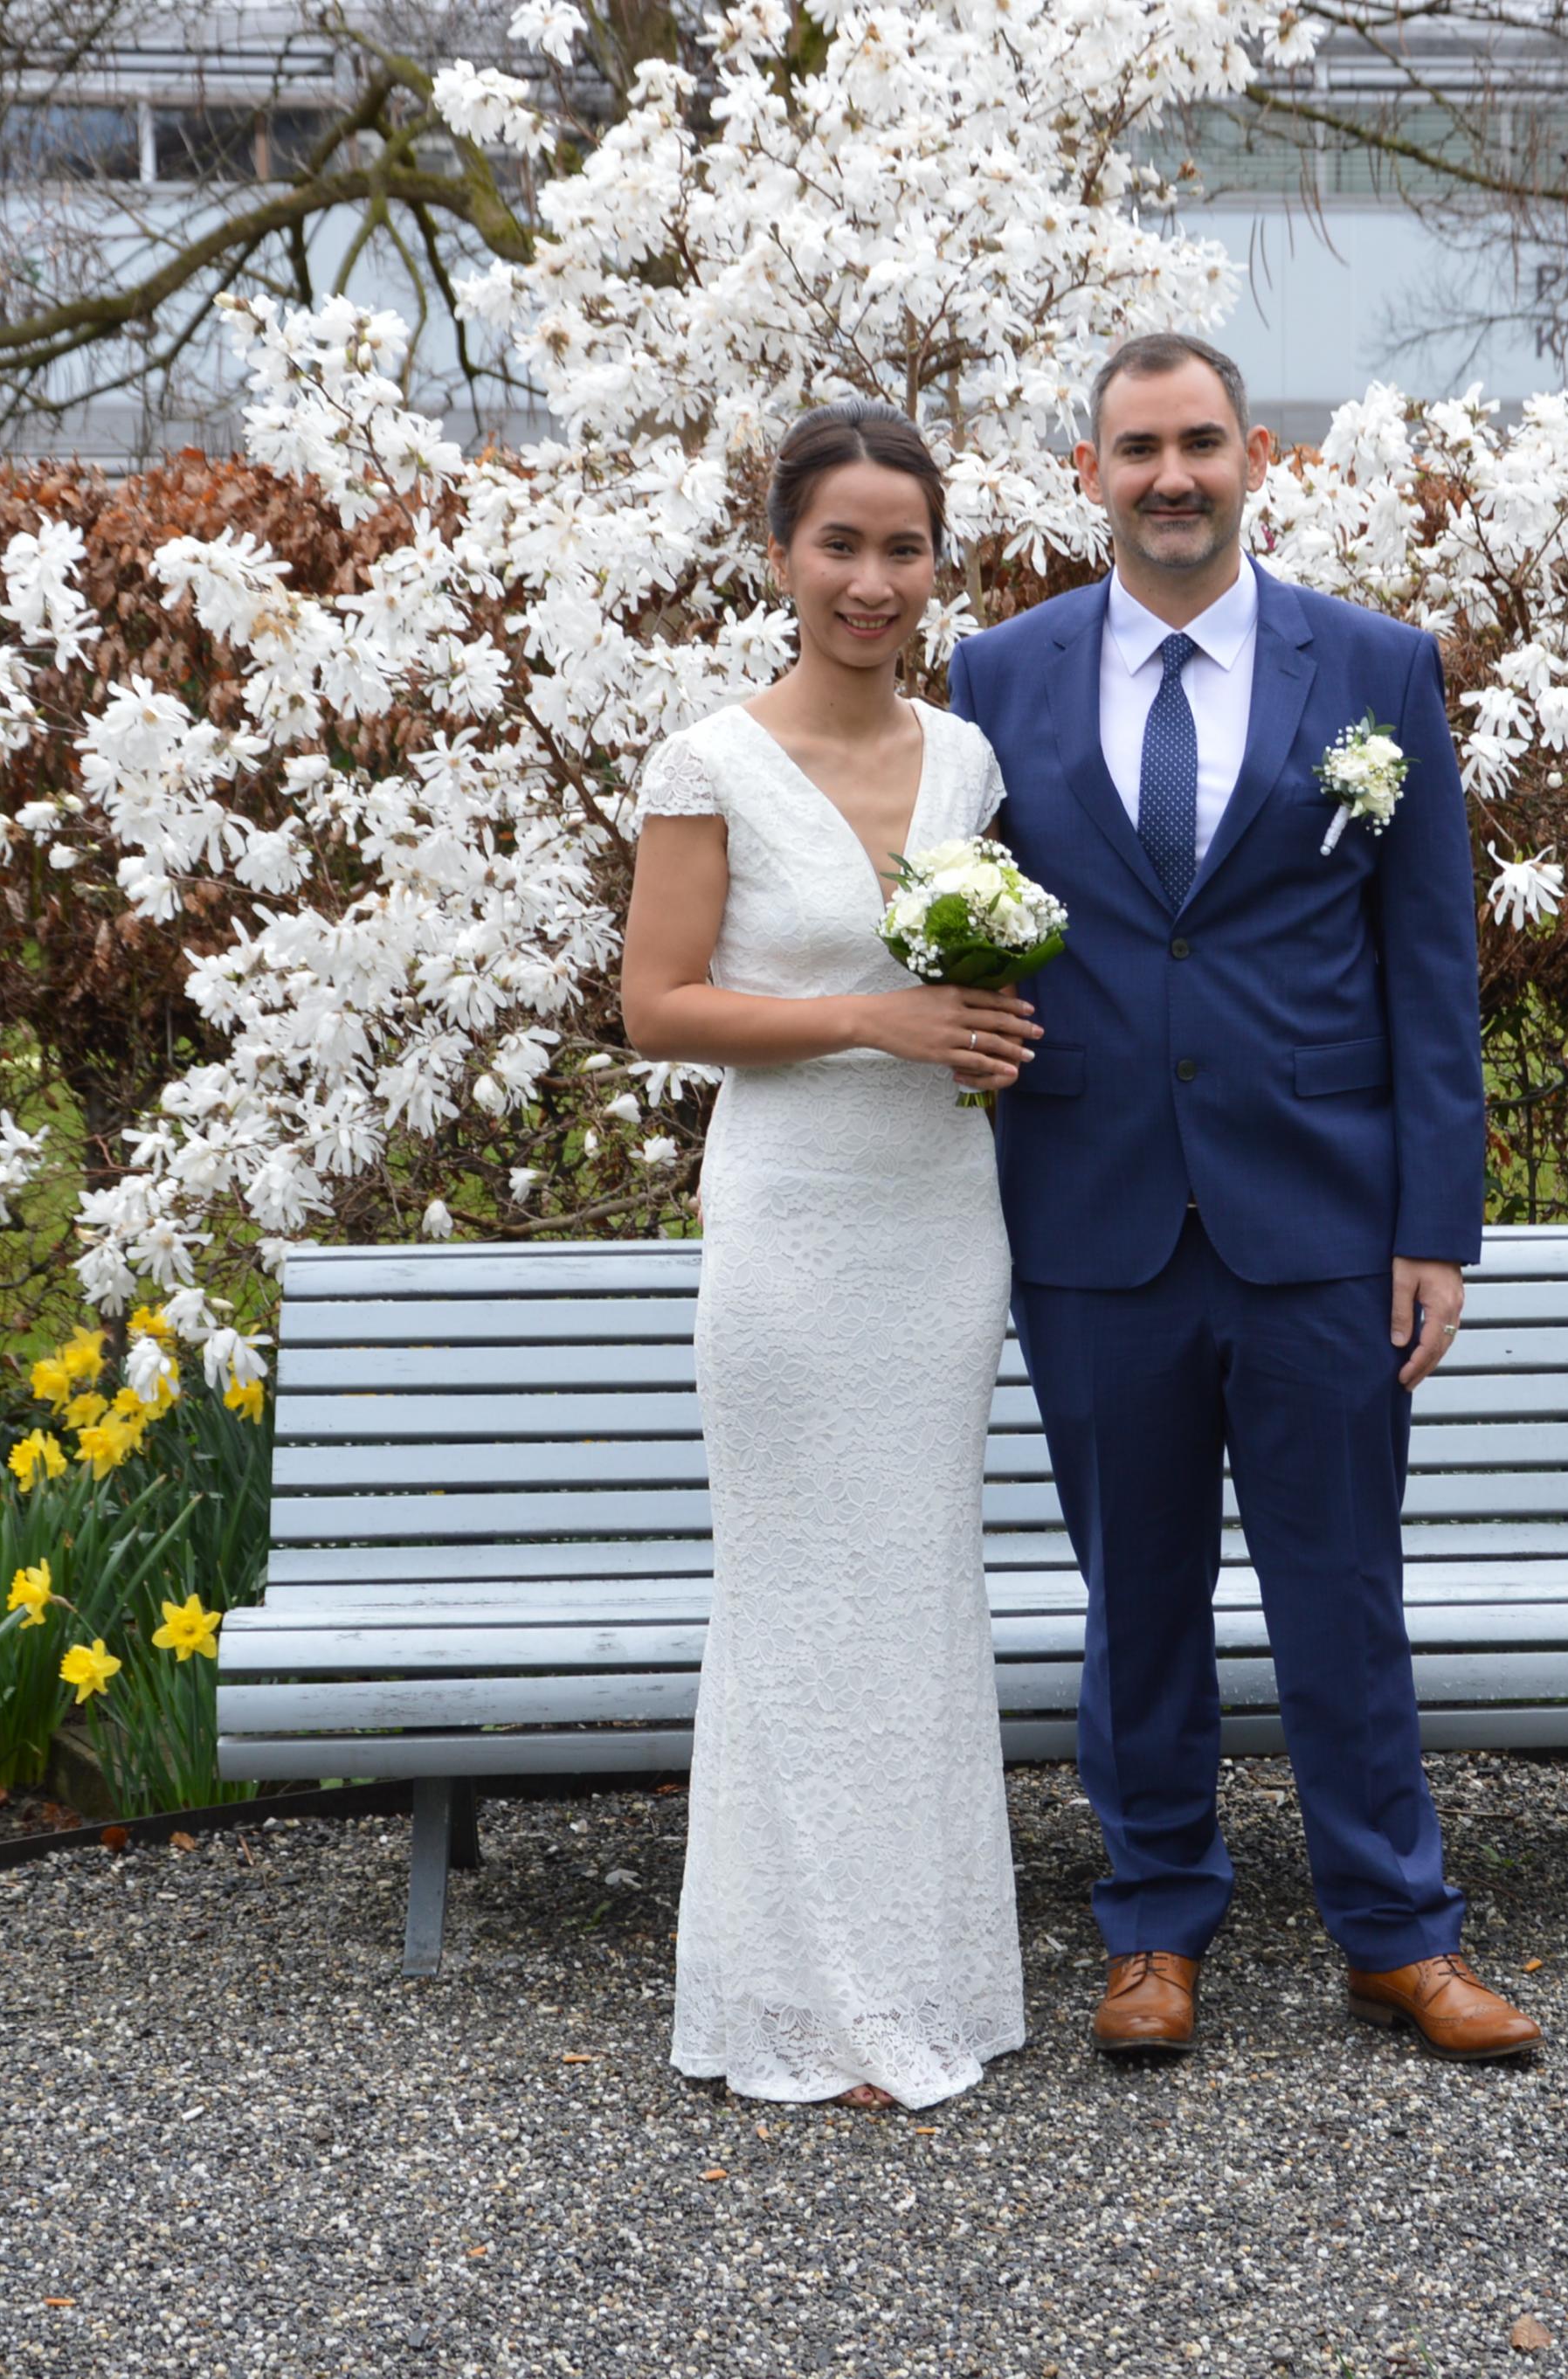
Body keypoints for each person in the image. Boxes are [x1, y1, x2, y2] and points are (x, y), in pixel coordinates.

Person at [948, 332, 1540, 2063]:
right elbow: (960, 919)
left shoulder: (1372, 666)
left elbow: (1428, 968)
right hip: (1095, 1216)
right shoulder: (997, 677)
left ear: (1255, 456)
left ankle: (1397, 1933)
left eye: (1199, 443)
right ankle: (1151, 1928)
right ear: (1087, 474)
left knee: (1340, 1591)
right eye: (1136, 449)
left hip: (1322, 1223)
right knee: (1132, 1602)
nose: (1171, 477)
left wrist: (1433, 1227)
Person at [619, 398, 1040, 2110]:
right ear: (783, 556)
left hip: (940, 1222)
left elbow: (980, 975)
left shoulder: (969, 761)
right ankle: (795, 1998)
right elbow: (659, 1008)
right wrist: (875, 1018)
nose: (873, 581)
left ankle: (921, 1977)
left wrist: (985, 1031)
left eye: (903, 549)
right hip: (791, 1225)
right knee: (797, 1597)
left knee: (918, 1590)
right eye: (840, 545)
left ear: (937, 565)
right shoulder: (706, 763)